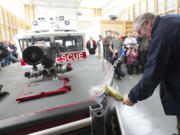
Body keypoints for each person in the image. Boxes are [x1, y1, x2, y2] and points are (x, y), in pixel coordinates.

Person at [122, 12, 180, 135]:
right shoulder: (169, 20)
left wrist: (133, 96)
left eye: (139, 32)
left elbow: (153, 72)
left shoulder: (162, 34)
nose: (139, 36)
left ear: (148, 23)